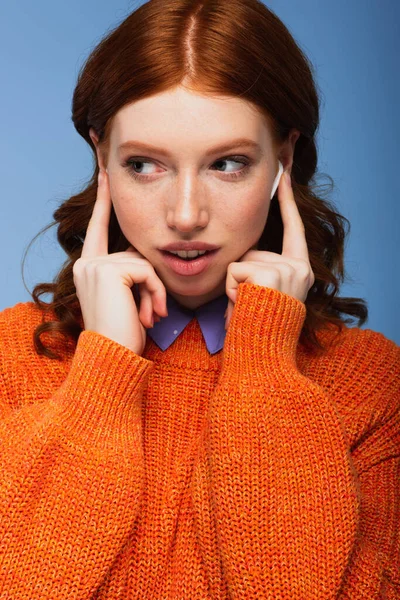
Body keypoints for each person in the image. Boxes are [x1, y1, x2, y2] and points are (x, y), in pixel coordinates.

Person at [0, 0, 398, 597]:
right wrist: (102, 373)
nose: (186, 216)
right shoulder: (12, 357)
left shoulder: (371, 382)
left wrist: (262, 366)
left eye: (228, 164)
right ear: (100, 158)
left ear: (283, 161)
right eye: (144, 165)